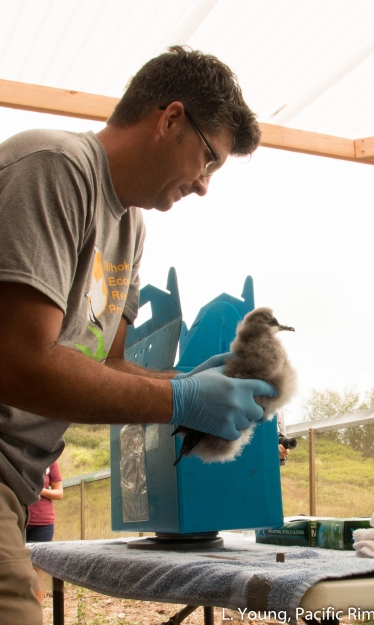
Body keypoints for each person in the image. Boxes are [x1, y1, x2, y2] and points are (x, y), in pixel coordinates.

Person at [0, 46, 276, 624]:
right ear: (170, 118)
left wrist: (186, 382)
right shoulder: (53, 166)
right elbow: (19, 362)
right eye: (208, 160)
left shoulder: (129, 227)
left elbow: (110, 364)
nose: (204, 185)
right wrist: (177, 399)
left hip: (16, 481)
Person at [26, 461, 63, 604]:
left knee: (40, 568)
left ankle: (36, 610)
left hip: (43, 523)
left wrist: (40, 490)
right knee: (18, 565)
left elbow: (59, 493)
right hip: (18, 521)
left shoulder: (51, 461)